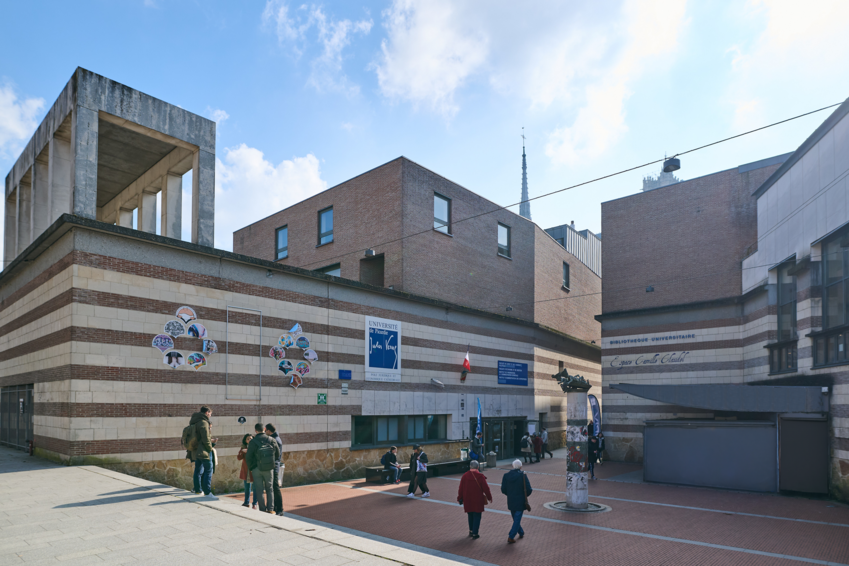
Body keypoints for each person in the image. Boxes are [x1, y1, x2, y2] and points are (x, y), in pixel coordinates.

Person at [246, 423, 280, 513]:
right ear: (264, 429)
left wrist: (252, 467)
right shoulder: (271, 439)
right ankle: (270, 509)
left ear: (255, 431)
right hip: (269, 468)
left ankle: (262, 509)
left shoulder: (253, 442)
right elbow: (277, 454)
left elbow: (248, 457)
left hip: (257, 468)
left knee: (259, 489)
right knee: (270, 488)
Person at [457, 460, 492, 539]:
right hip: (477, 499)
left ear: (470, 467)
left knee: (470, 514)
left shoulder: (465, 476)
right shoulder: (480, 476)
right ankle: (475, 533)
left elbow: (461, 488)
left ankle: (471, 530)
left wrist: (460, 498)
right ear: (478, 467)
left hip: (467, 499)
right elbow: (486, 488)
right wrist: (489, 497)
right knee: (477, 515)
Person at [188, 406, 217, 499]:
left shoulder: (194, 421)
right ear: (207, 412)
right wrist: (209, 448)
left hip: (196, 451)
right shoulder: (204, 422)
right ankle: (207, 493)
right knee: (209, 470)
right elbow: (205, 438)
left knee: (198, 470)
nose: (210, 416)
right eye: (210, 414)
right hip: (204, 451)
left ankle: (197, 490)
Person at [501, 459, 532, 544]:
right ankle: (511, 536)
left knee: (515, 518)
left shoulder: (506, 476)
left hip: (511, 500)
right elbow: (529, 489)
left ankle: (521, 532)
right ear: (521, 467)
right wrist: (524, 496)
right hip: (520, 500)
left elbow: (503, 489)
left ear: (512, 466)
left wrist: (510, 494)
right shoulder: (523, 476)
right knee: (517, 519)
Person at [265, 423, 285, 516]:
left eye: (265, 431)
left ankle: (280, 509)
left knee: (275, 488)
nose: (265, 432)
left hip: (274, 466)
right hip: (274, 466)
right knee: (273, 488)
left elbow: (274, 455)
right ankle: (276, 508)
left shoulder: (275, 440)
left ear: (269, 431)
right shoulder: (275, 438)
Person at [237, 434, 257, 508]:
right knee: (247, 487)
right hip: (246, 470)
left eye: (251, 438)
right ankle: (246, 502)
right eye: (248, 439)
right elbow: (239, 458)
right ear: (245, 440)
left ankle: (254, 503)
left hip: (254, 469)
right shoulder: (243, 447)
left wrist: (249, 451)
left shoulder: (256, 446)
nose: (249, 440)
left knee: (255, 487)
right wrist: (242, 451)